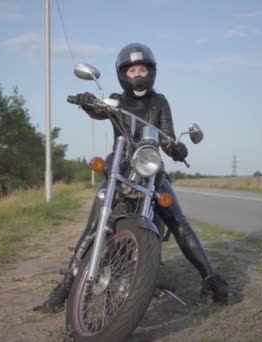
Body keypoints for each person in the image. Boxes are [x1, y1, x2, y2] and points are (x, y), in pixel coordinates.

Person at [34, 42, 239, 314]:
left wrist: (176, 148)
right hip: (121, 167)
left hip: (151, 170)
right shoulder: (117, 99)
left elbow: (167, 134)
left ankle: (211, 280)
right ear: (123, 74)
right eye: (132, 70)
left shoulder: (159, 101)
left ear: (152, 72)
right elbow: (99, 109)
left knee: (178, 222)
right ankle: (64, 287)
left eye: (143, 69)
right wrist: (87, 102)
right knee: (95, 223)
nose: (138, 75)